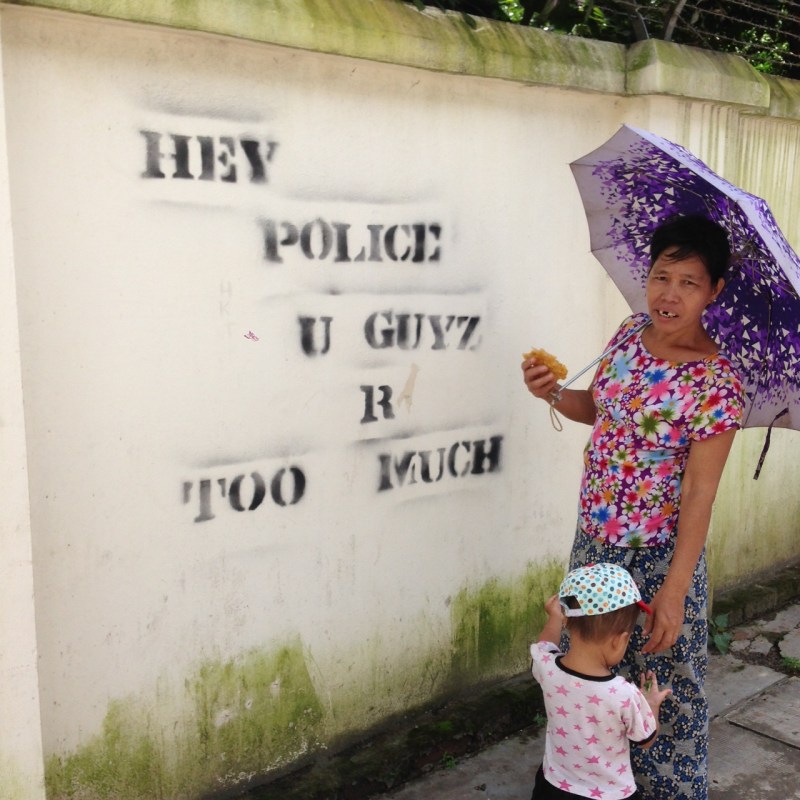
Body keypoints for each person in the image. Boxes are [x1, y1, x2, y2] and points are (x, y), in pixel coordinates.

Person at [521, 215, 744, 800]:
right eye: (661, 275)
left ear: (714, 291)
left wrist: (672, 592)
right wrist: (550, 391)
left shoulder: (718, 382)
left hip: (657, 559)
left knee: (661, 684)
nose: (669, 294)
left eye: (689, 282)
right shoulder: (627, 333)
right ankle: (592, 786)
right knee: (589, 674)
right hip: (594, 544)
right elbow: (598, 410)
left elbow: (699, 493)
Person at [530, 563, 671, 800]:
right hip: (609, 795)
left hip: (554, 785)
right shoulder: (623, 693)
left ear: (568, 622)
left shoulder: (547, 667)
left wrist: (554, 617)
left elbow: (545, 645)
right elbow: (646, 739)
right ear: (620, 640)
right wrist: (651, 704)